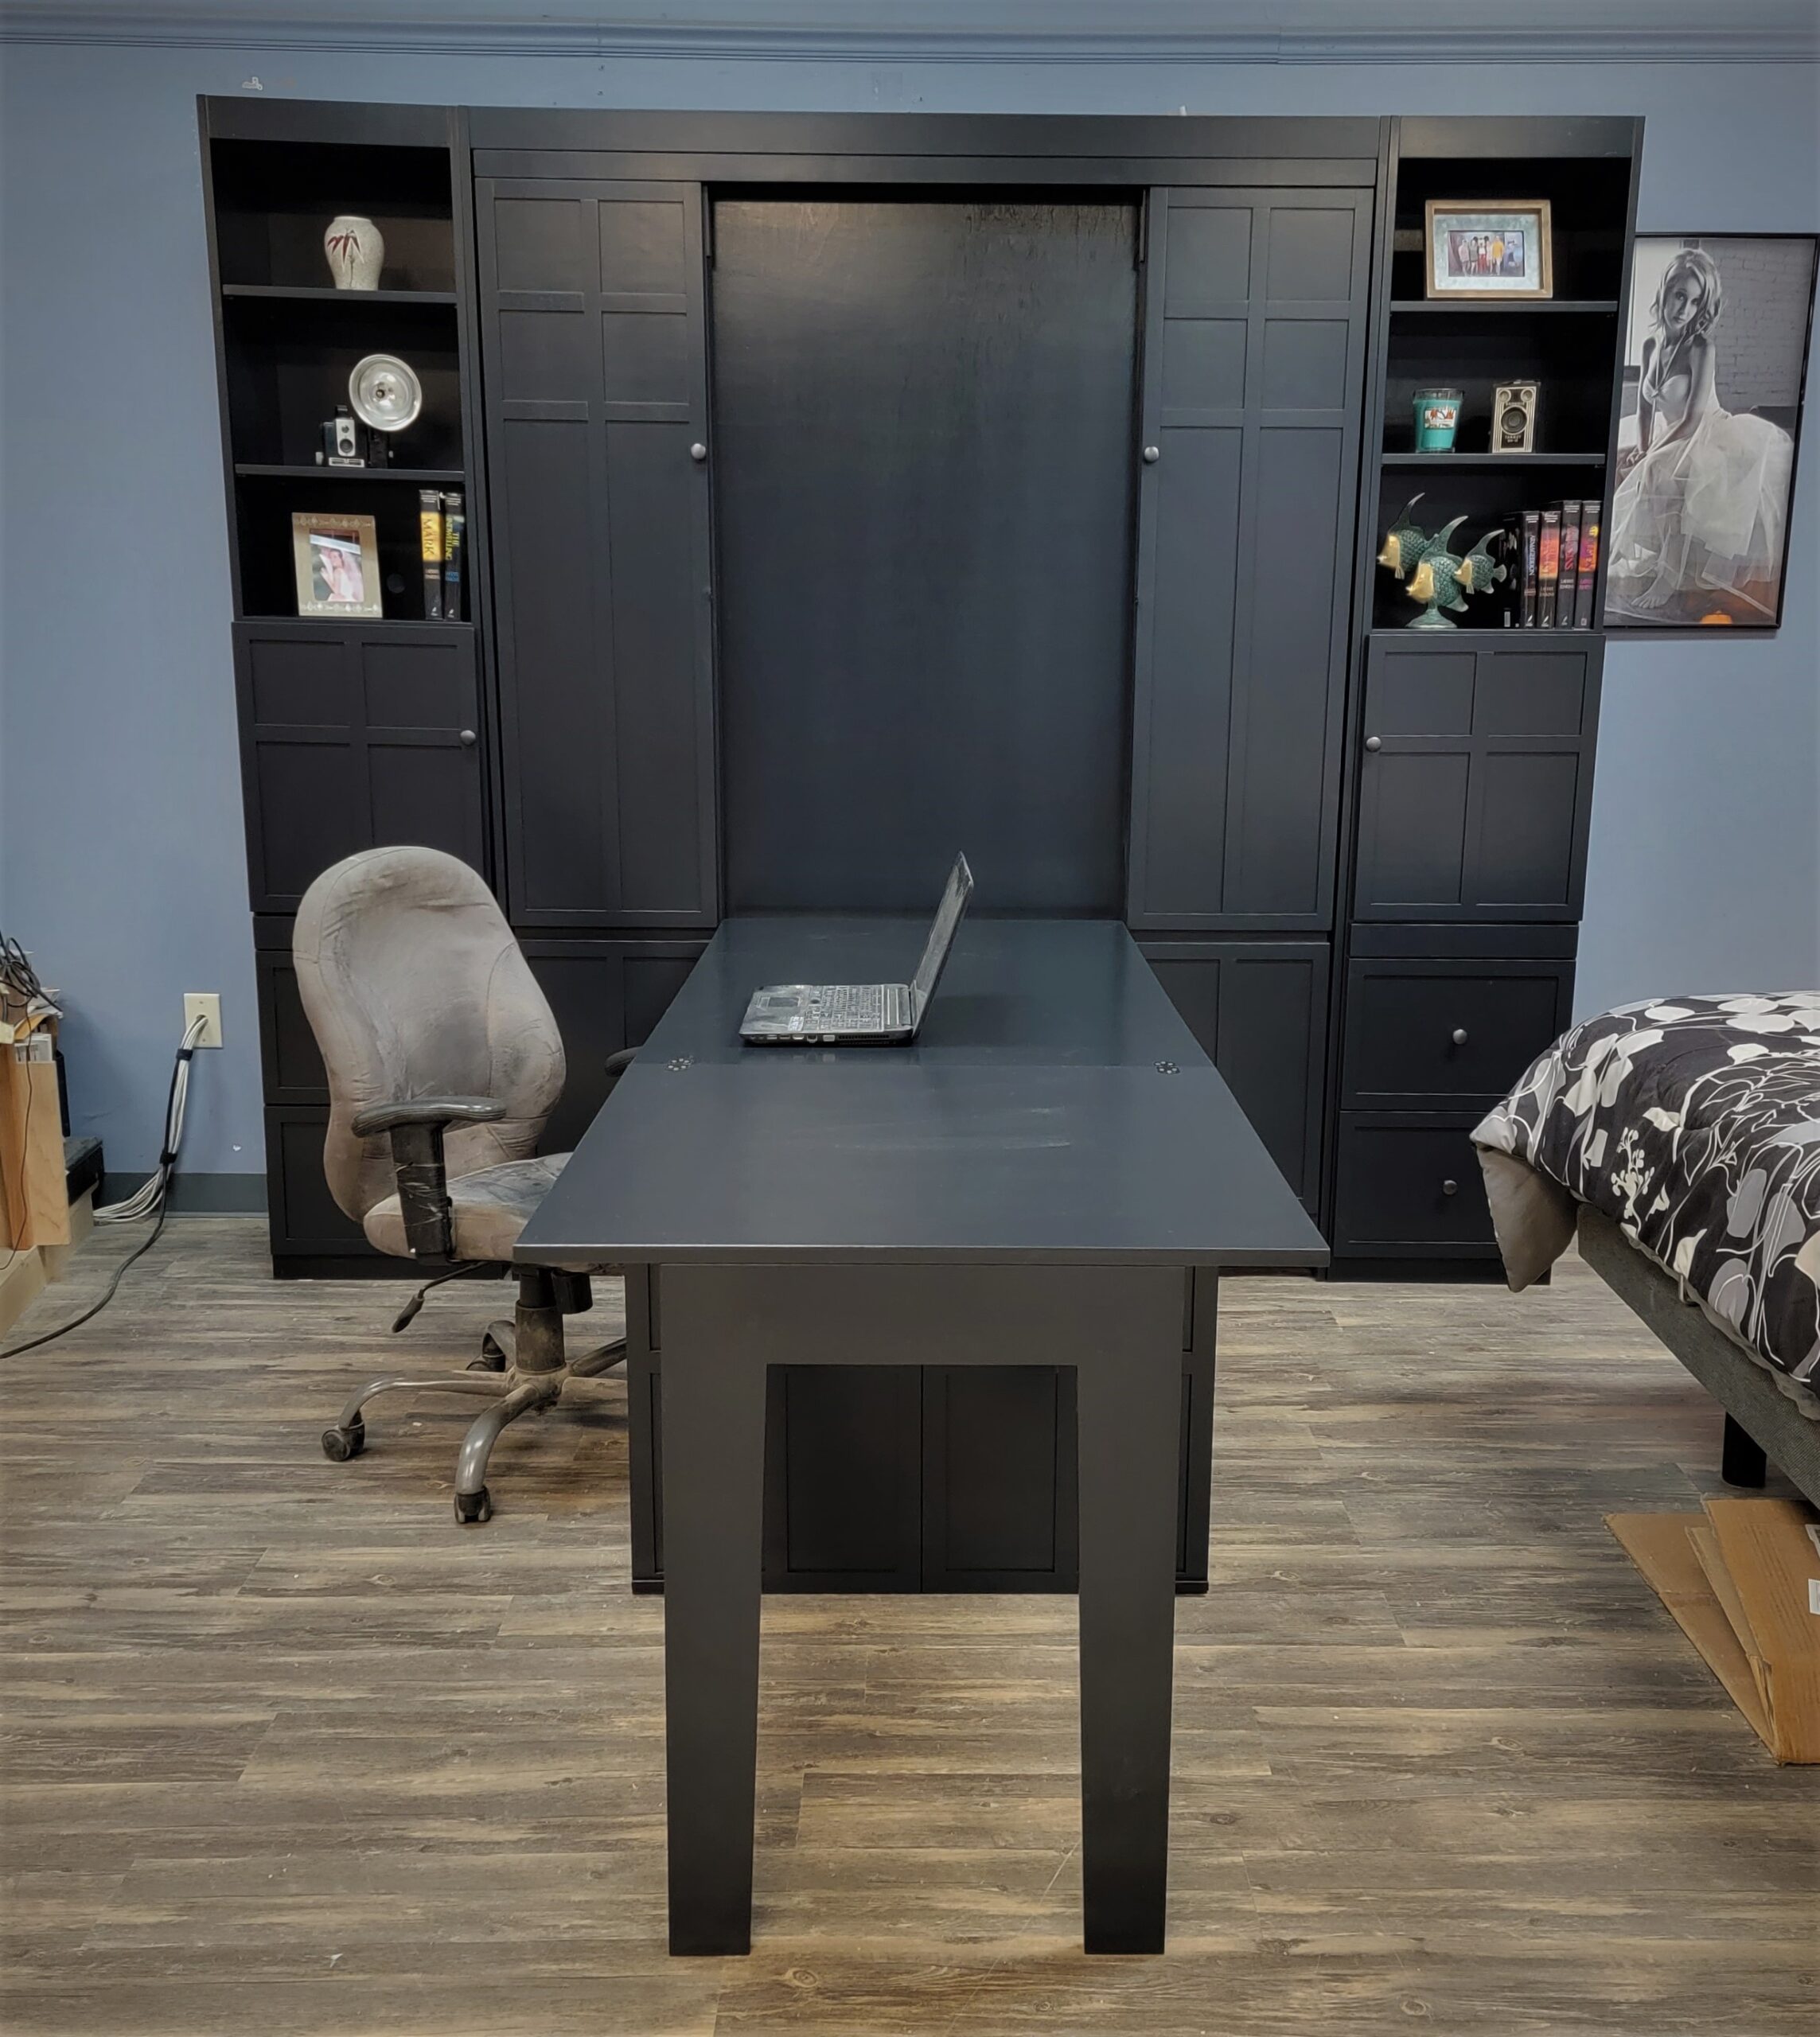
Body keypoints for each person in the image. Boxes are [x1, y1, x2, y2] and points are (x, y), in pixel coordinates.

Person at [1607, 246, 1793, 618]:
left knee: (1661, 472)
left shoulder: (1701, 348)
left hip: (1705, 432)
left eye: (1695, 302)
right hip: (1669, 432)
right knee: (1620, 461)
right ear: (1665, 291)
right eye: (1680, 296)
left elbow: (1693, 418)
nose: (1685, 310)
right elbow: (1644, 409)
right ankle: (1622, 556)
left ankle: (1669, 576)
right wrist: (1641, 447)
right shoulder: (1650, 345)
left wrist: (1650, 455)